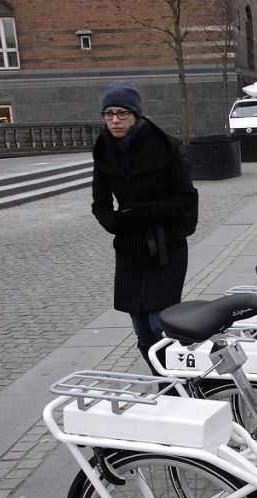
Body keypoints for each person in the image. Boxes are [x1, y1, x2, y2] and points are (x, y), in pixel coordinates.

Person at [91, 82, 198, 374]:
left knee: (158, 322)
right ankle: (165, 383)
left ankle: (181, 381)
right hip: (129, 247)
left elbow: (187, 199)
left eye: (121, 113)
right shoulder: (102, 149)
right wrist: (114, 223)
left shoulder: (166, 146)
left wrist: (145, 213)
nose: (114, 120)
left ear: (136, 115)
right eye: (108, 113)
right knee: (141, 330)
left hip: (166, 244)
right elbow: (99, 202)